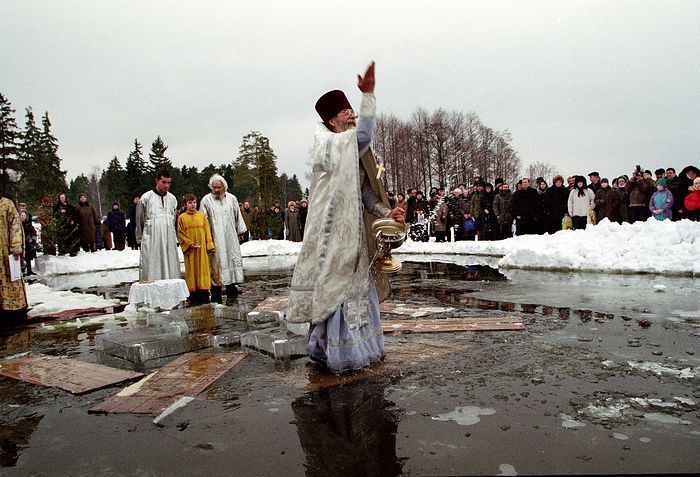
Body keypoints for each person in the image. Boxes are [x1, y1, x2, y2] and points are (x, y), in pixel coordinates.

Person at [286, 61, 406, 374]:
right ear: (332, 120)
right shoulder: (328, 145)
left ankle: (361, 350)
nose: (351, 114)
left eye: (353, 109)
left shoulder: (350, 149)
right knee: (334, 293)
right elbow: (364, 134)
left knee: (356, 293)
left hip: (354, 238)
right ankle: (333, 353)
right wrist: (369, 95)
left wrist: (386, 212)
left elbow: (365, 195)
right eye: (346, 112)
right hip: (332, 238)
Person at [200, 173, 247, 305]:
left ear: (224, 187)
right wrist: (206, 238)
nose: (217, 190)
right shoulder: (206, 200)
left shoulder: (232, 199)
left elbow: (238, 216)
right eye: (214, 187)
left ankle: (231, 287)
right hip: (215, 237)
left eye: (219, 187)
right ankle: (216, 291)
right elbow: (203, 220)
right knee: (216, 263)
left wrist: (240, 231)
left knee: (231, 260)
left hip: (230, 236)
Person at [136, 170, 180, 280]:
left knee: (170, 266)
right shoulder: (146, 198)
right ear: (157, 181)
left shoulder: (172, 199)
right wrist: (140, 239)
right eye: (164, 182)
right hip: (151, 239)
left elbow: (173, 220)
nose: (166, 185)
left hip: (168, 239)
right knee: (152, 268)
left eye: (169, 183)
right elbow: (140, 220)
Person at [177, 194, 215, 305]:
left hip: (201, 249)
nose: (193, 205)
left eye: (194, 202)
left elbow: (207, 231)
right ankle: (193, 294)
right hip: (191, 251)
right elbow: (180, 234)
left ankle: (204, 293)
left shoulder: (201, 216)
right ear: (185, 205)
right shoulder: (182, 218)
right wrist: (189, 244)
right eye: (190, 203)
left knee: (203, 268)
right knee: (192, 270)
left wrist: (210, 245)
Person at [1, 195, 28, 321]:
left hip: (5, 253)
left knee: (10, 279)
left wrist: (16, 247)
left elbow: (16, 226)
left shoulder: (6, 204)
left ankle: (14, 310)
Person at [53, 192, 79, 256]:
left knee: (71, 238)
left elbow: (74, 214)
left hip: (69, 225)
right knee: (61, 239)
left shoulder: (70, 205)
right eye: (61, 198)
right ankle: (62, 251)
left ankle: (72, 251)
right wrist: (59, 212)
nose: (63, 199)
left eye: (64, 197)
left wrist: (73, 220)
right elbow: (54, 215)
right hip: (61, 225)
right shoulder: (56, 206)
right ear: (59, 198)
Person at [20, 210, 38, 276]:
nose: (23, 217)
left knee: (29, 257)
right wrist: (26, 239)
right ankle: (23, 271)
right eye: (22, 215)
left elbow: (33, 231)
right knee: (23, 258)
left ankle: (29, 271)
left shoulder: (28, 223)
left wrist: (33, 239)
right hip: (22, 243)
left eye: (24, 216)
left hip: (29, 243)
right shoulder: (19, 224)